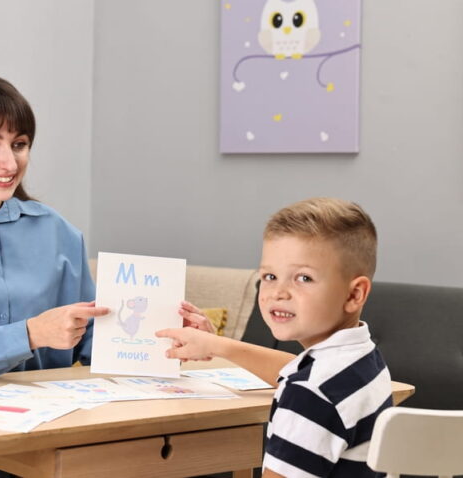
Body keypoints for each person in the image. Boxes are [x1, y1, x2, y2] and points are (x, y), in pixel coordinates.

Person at [0, 74, 213, 478]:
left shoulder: (58, 232)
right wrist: (29, 334)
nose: (10, 163)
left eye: (20, 144)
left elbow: (99, 342)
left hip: (47, 437)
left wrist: (172, 337)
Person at [157, 198, 393, 477]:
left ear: (354, 294)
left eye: (303, 278)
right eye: (269, 276)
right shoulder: (360, 358)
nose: (278, 292)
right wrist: (215, 344)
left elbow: (302, 382)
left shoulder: (310, 395)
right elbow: (293, 369)